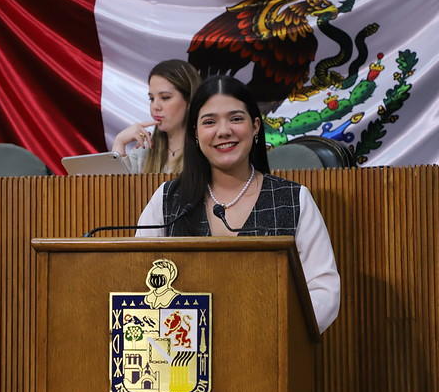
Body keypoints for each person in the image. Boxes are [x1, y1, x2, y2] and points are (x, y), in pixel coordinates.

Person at [136, 75, 340, 332]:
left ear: (255, 126)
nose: (224, 131)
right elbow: (140, 277)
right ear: (195, 134)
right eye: (209, 122)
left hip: (269, 352)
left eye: (236, 119)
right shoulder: (167, 199)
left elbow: (323, 290)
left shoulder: (294, 199)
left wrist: (271, 328)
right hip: (181, 356)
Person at [111, 59, 201, 174]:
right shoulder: (142, 153)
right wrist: (119, 142)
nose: (155, 106)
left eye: (165, 97)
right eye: (151, 98)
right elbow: (116, 190)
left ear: (189, 100)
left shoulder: (207, 151)